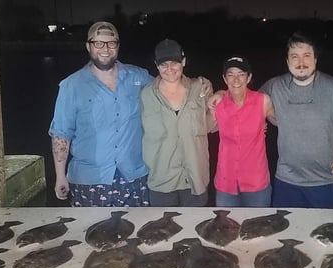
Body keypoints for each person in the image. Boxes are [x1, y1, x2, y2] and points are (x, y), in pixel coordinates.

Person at [259, 31, 333, 208]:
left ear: (315, 59)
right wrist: (270, 116)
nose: (301, 62)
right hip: (286, 181)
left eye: (307, 56)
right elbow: (247, 102)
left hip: (326, 181)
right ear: (287, 61)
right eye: (294, 56)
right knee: (286, 232)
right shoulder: (274, 86)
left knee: (330, 233)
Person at [48, 21, 153, 207]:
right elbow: (61, 134)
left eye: (111, 43)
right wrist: (60, 176)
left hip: (133, 178)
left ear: (118, 46)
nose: (105, 49)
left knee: (136, 234)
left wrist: (204, 88)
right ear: (88, 46)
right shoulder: (71, 86)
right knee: (89, 234)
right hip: (89, 180)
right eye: (98, 43)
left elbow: (169, 87)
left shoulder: (138, 77)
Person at [141, 39, 216, 206]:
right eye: (163, 64)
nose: (169, 69)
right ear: (156, 65)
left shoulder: (200, 89)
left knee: (195, 230)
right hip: (161, 182)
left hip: (195, 180)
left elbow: (211, 126)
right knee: (161, 232)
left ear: (183, 61)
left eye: (174, 63)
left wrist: (220, 99)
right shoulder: (145, 95)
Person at [214, 55, 276, 207]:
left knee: (259, 229)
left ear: (249, 78)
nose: (236, 80)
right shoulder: (218, 103)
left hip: (257, 184)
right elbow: (206, 128)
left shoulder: (263, 101)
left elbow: (283, 122)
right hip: (226, 184)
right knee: (224, 229)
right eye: (231, 75)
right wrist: (214, 97)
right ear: (224, 79)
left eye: (241, 75)